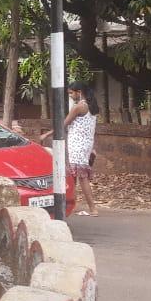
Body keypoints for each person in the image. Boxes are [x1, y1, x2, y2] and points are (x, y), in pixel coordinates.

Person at [42, 82, 99, 216]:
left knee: (81, 177)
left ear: (79, 92)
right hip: (86, 144)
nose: (71, 96)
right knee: (74, 176)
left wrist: (47, 134)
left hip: (77, 145)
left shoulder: (78, 107)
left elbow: (63, 124)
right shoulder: (92, 107)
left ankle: (92, 208)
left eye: (71, 93)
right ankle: (69, 204)